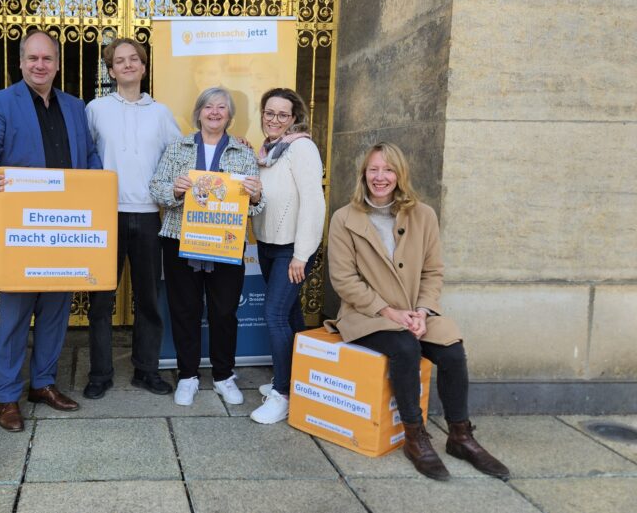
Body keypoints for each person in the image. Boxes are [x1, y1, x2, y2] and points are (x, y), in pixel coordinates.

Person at [327, 142, 510, 481]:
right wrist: (388, 312)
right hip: (366, 314)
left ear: (400, 174)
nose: (380, 177)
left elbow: (432, 272)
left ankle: (460, 436)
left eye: (388, 170)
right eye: (373, 170)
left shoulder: (423, 215)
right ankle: (415, 436)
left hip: (414, 312)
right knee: (404, 348)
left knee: (453, 350)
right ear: (363, 175)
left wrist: (423, 312)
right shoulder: (344, 218)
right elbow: (343, 279)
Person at [0, 29, 102, 432]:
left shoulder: (76, 107)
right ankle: (7, 396)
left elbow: (90, 154)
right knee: (14, 314)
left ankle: (42, 384)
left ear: (58, 64)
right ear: (22, 62)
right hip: (21, 231)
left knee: (55, 312)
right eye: (32, 59)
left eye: (47, 59)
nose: (39, 65)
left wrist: (97, 187)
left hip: (66, 228)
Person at [149, 87, 264, 407]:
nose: (215, 112)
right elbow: (156, 189)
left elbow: (254, 208)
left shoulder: (243, 153)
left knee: (225, 312)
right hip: (179, 239)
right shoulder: (177, 147)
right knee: (184, 310)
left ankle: (224, 376)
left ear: (230, 116)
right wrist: (174, 188)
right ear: (198, 112)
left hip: (226, 243)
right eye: (209, 107)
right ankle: (187, 376)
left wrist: (255, 196)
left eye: (222, 108)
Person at [82, 38, 181, 400]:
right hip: (106, 217)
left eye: (133, 59)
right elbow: (84, 156)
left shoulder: (161, 113)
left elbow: (181, 154)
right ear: (110, 71)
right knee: (101, 302)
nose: (127, 65)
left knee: (149, 299)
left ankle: (147, 370)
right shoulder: (95, 109)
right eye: (119, 61)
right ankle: (100, 373)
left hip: (150, 216)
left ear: (143, 67)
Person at [249, 88, 325, 424]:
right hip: (267, 246)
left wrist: (302, 254)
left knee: (275, 315)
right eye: (269, 112)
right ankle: (300, 384)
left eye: (282, 114)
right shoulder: (267, 151)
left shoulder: (302, 148)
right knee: (291, 316)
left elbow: (313, 201)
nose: (274, 119)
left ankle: (282, 394)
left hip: (292, 250)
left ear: (294, 118)